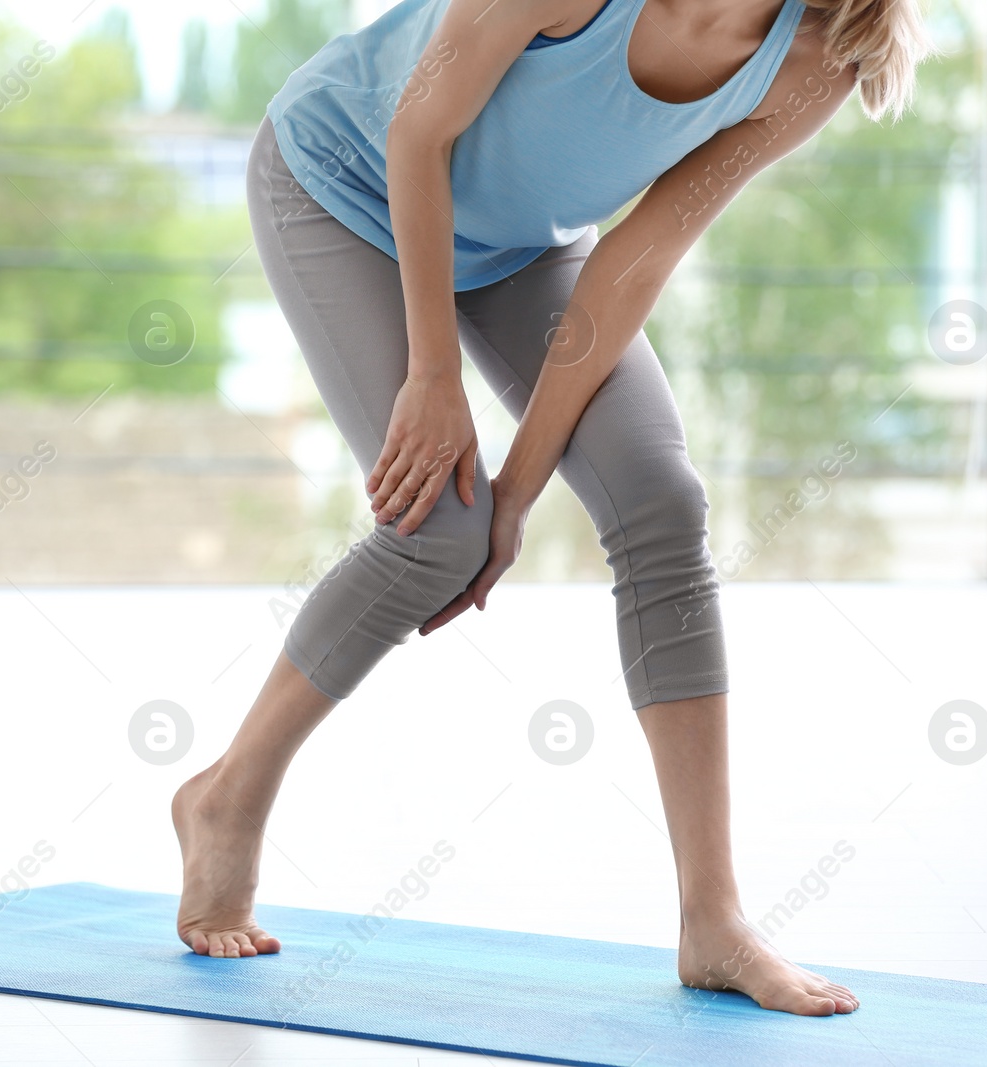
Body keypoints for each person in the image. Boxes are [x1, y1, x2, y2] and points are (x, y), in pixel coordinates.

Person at [172, 0, 930, 1016]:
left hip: (524, 246)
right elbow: (417, 131)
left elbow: (635, 257)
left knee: (660, 499)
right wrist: (433, 375)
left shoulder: (813, 62)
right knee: (437, 528)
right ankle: (227, 796)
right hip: (347, 185)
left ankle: (715, 919)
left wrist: (520, 483)